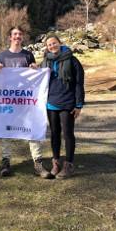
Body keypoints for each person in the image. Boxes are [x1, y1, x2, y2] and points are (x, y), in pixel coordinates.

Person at [0, 26, 53, 179]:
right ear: (10, 37)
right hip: (7, 100)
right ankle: (5, 162)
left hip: (26, 99)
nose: (17, 36)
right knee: (5, 131)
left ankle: (38, 163)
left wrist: (35, 68)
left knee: (32, 127)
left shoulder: (28, 55)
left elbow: (35, 76)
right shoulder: (2, 55)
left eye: (20, 34)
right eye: (14, 34)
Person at [40, 33, 84, 179]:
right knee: (54, 134)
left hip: (67, 103)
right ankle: (56, 162)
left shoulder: (72, 60)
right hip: (51, 103)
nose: (52, 46)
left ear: (60, 43)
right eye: (49, 44)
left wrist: (78, 104)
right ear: (47, 47)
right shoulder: (45, 61)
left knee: (68, 134)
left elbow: (79, 83)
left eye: (54, 43)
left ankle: (69, 165)